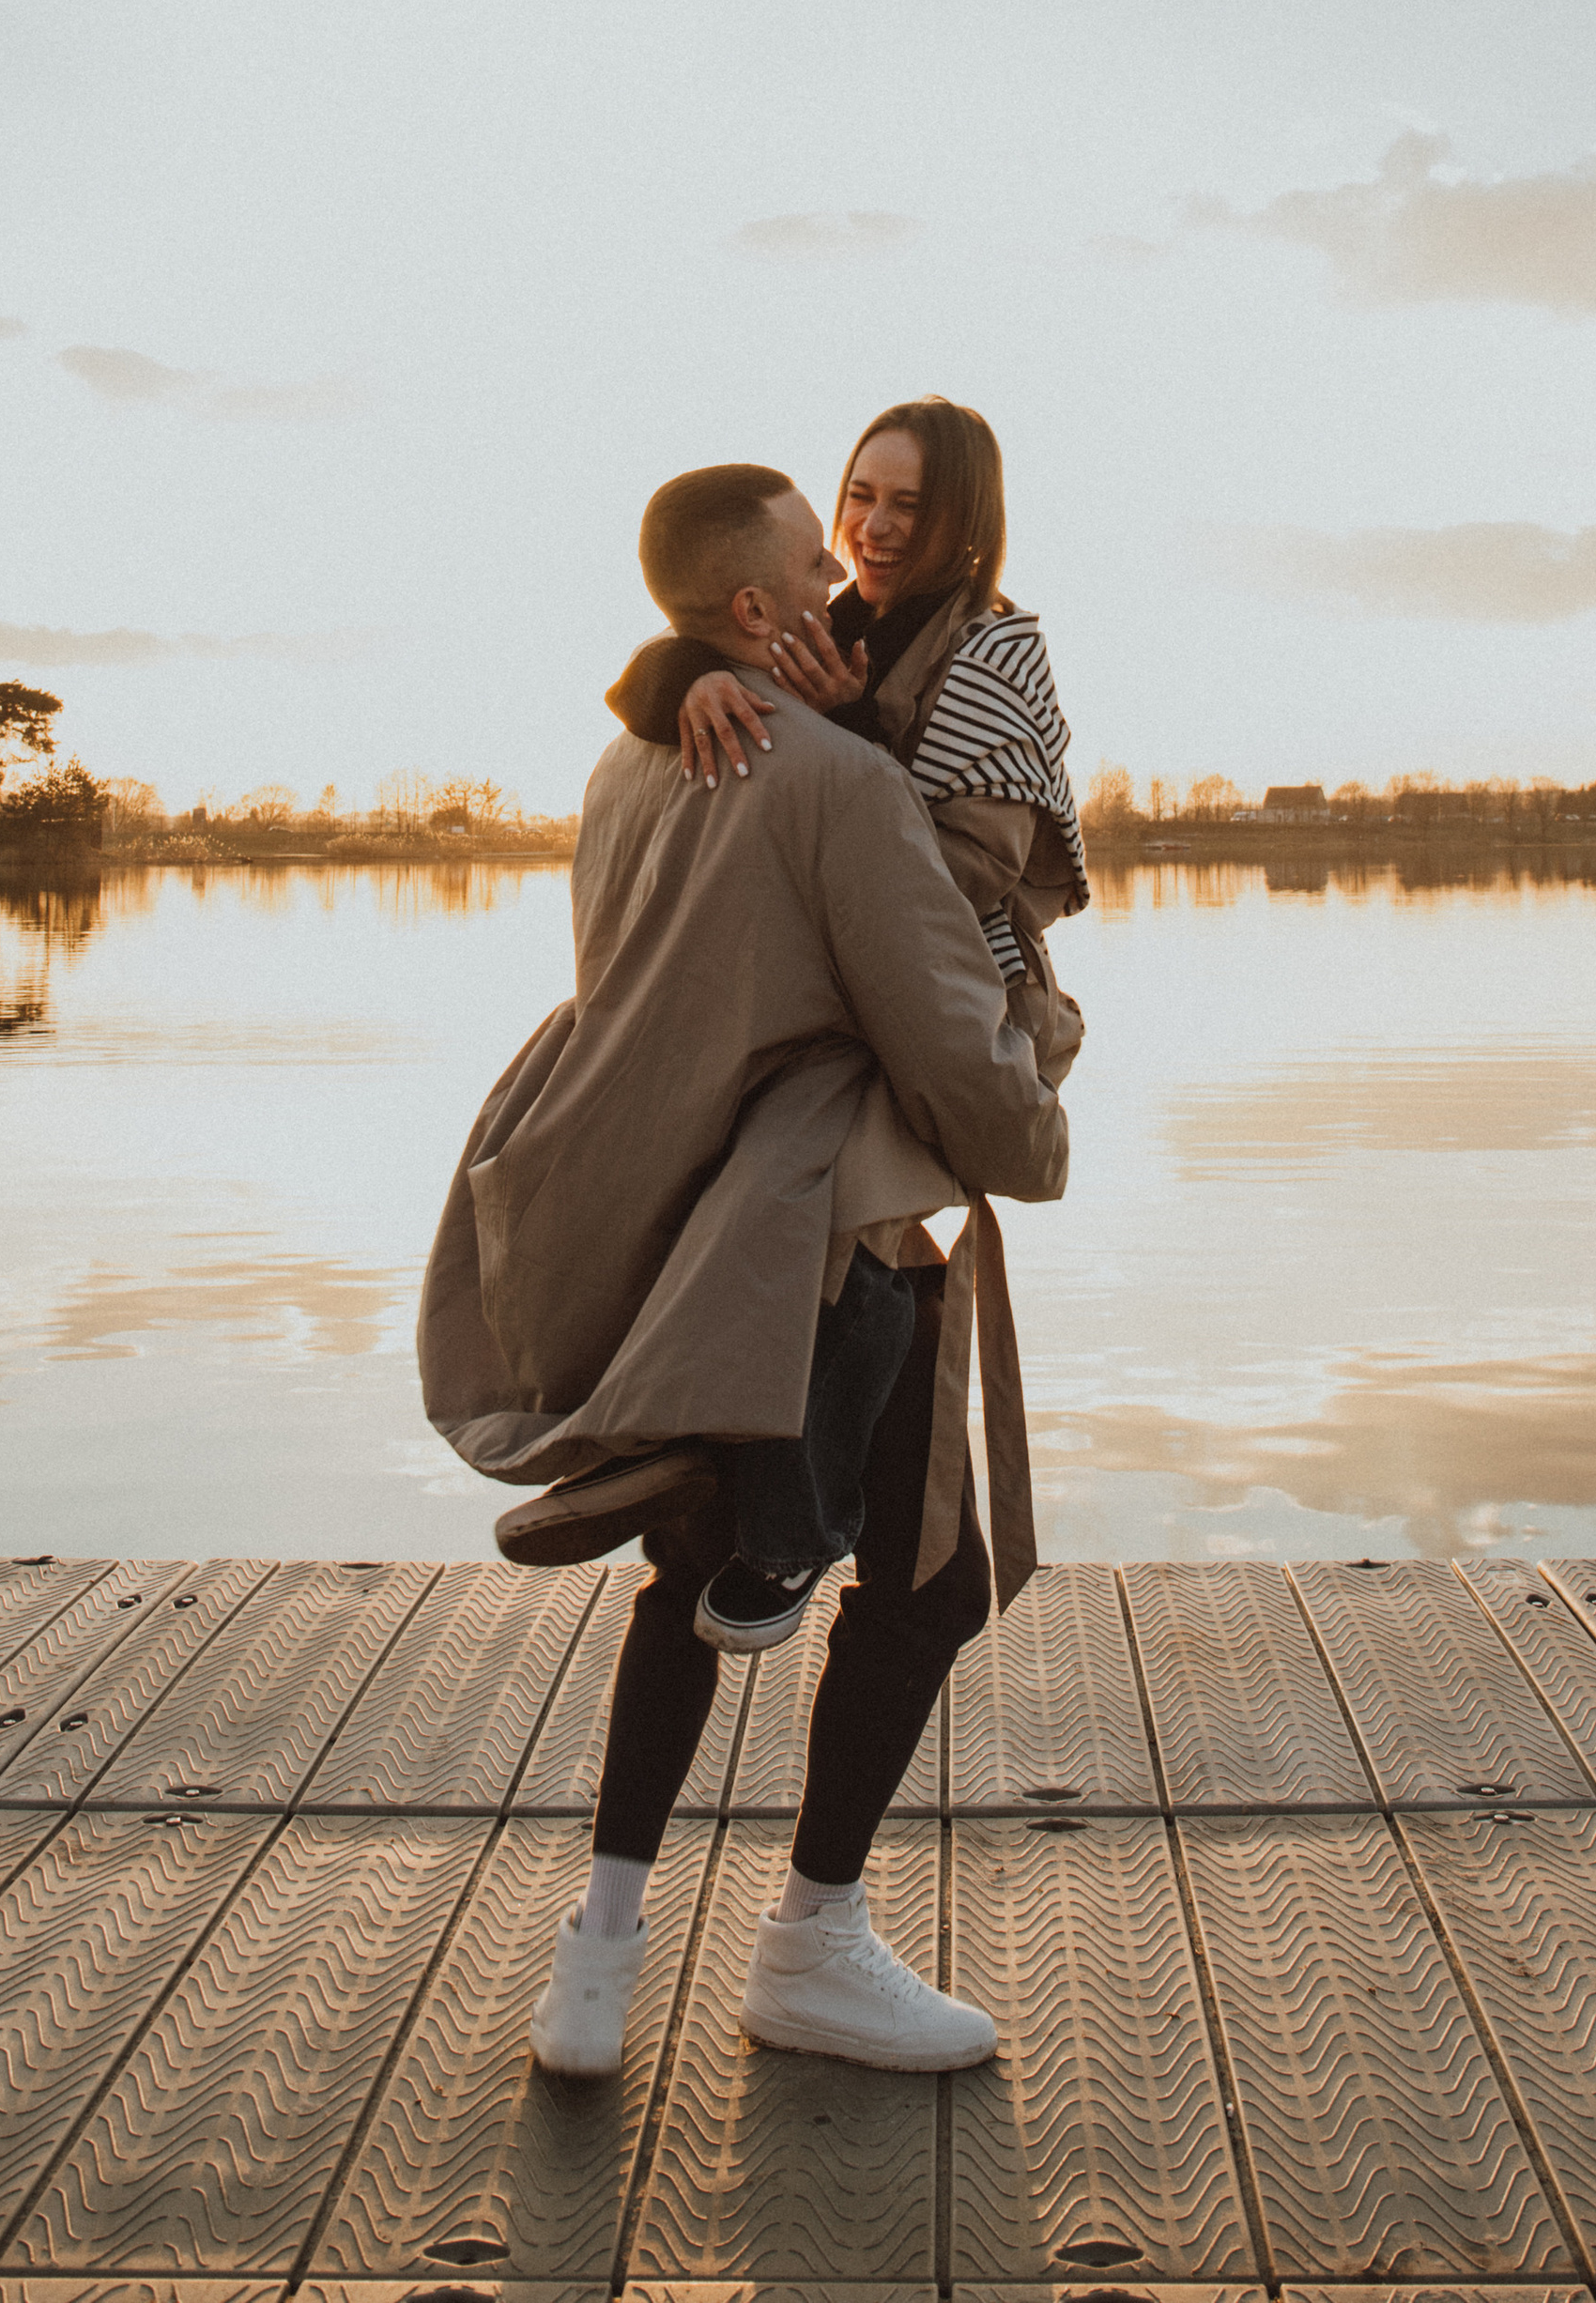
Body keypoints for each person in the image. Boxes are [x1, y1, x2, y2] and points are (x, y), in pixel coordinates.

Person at [417, 461, 1069, 2080]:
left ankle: (599, 1962)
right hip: (823, 1231)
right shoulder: (835, 776)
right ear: (759, 611)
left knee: (694, 1571)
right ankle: (815, 1950)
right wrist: (1041, 1106)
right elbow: (943, 1034)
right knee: (925, 1583)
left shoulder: (628, 760)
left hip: (667, 1227)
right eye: (814, 549)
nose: (847, 569)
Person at [600, 397, 1090, 1638]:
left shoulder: (993, 650)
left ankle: (787, 1529)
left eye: (905, 505)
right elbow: (702, 643)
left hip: (937, 997)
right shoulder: (831, 621)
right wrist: (695, 676)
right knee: (746, 1211)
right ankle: (701, 1471)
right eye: (856, 497)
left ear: (963, 521)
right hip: (824, 996)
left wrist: (854, 731)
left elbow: (967, 870)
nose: (869, 529)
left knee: (853, 1241)